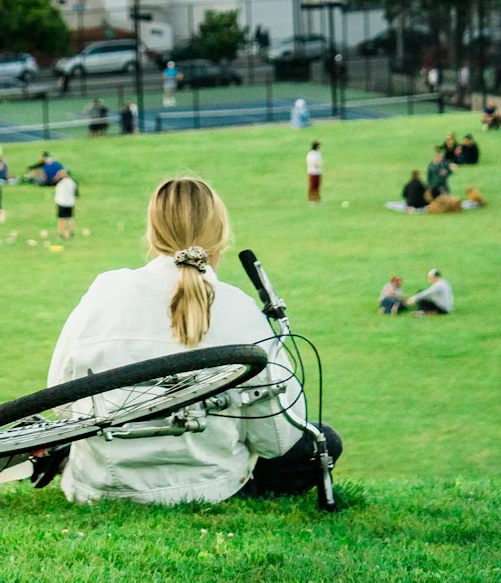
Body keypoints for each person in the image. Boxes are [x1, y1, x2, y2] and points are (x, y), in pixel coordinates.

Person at [46, 176, 342, 504]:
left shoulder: (104, 291)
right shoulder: (240, 310)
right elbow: (277, 439)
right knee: (325, 439)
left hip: (101, 484)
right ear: (221, 235)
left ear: (153, 232)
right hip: (208, 486)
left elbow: (60, 401)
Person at [54, 169, 78, 240]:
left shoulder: (61, 182)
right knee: (70, 218)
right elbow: (76, 193)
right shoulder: (73, 182)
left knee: (61, 219)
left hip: (62, 202)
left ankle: (62, 233)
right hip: (70, 202)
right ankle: (71, 232)